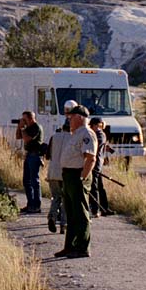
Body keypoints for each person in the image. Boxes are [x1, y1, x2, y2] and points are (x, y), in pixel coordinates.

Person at [55, 105, 97, 259]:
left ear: (80, 117)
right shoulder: (76, 134)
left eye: (71, 117)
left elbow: (90, 158)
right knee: (70, 212)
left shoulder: (86, 133)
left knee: (80, 212)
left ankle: (82, 247)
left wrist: (82, 177)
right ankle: (70, 246)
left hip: (77, 176)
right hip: (68, 175)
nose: (69, 119)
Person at [15, 110, 44, 214]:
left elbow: (27, 139)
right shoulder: (27, 128)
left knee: (34, 181)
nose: (23, 121)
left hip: (35, 155)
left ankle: (36, 205)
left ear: (31, 118)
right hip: (29, 155)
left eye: (25, 119)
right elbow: (18, 137)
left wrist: (23, 128)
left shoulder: (36, 127)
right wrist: (19, 127)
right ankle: (30, 204)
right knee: (26, 181)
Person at [45, 125, 70, 234]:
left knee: (55, 197)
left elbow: (48, 155)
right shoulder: (73, 138)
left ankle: (52, 216)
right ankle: (64, 224)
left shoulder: (54, 137)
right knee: (66, 199)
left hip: (53, 171)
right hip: (66, 171)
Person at [89, 117, 115, 217]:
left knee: (94, 187)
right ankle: (104, 208)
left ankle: (96, 209)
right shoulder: (99, 134)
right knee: (99, 186)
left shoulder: (99, 134)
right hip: (97, 163)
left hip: (95, 164)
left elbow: (95, 147)